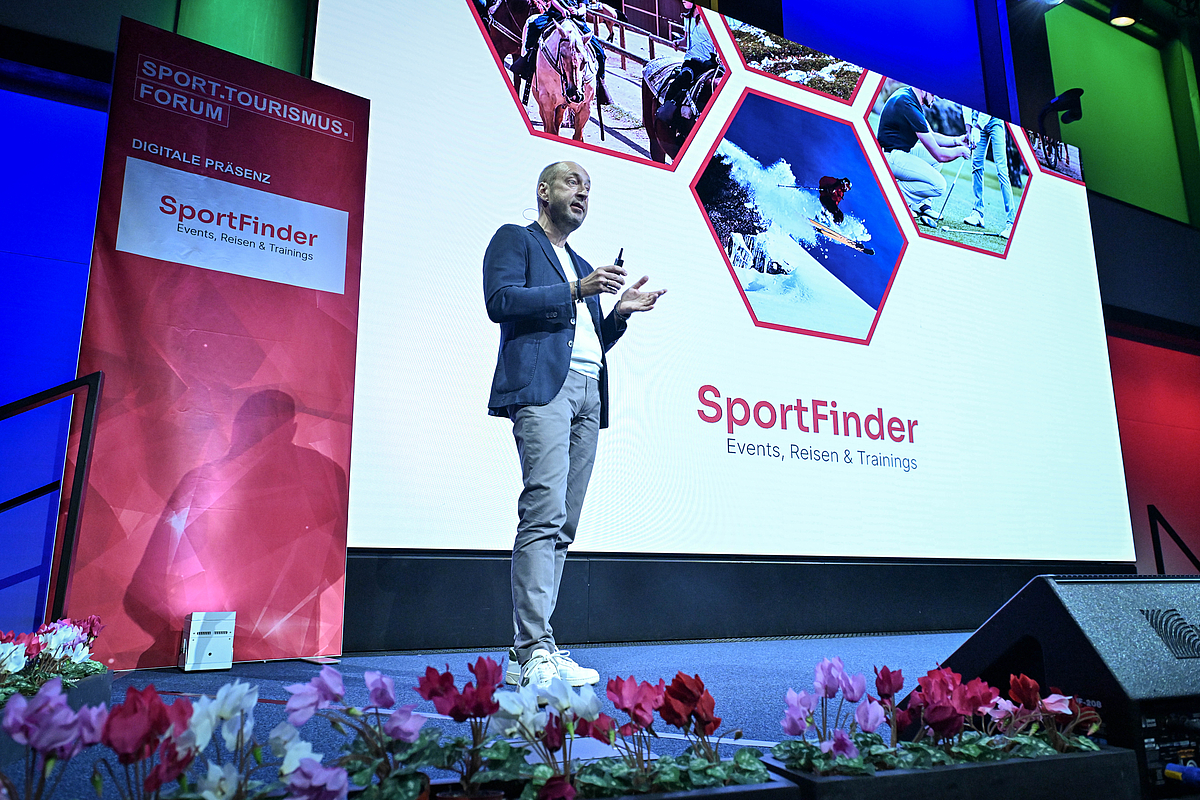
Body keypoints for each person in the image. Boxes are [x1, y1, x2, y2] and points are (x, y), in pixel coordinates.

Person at [484, 161, 665, 690]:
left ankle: (533, 646)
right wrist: (576, 289)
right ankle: (532, 650)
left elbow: (589, 341)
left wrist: (620, 313)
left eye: (588, 187)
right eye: (572, 182)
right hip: (545, 390)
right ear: (544, 191)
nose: (583, 192)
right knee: (543, 511)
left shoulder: (581, 264)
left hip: (589, 391)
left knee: (564, 524)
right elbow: (500, 302)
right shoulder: (517, 239)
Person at [876, 85, 971, 226]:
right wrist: (961, 151)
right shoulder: (909, 106)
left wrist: (958, 140)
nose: (935, 99)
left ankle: (920, 205)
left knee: (934, 161)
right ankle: (894, 196)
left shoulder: (909, 97)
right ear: (925, 89)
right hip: (890, 157)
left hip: (897, 151)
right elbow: (939, 154)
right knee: (939, 185)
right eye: (933, 95)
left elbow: (932, 136)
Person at [512, 0, 609, 103]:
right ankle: (527, 63)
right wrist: (562, 10)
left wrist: (577, 11)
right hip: (556, 15)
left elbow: (583, 7)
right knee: (534, 27)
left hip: (576, 19)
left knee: (600, 52)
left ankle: (600, 85)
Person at [656, 1, 719, 125]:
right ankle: (667, 111)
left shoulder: (711, 18)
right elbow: (687, 39)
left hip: (709, 62)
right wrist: (679, 42)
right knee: (682, 79)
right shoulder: (688, 18)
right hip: (691, 60)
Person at [961, 107, 1016, 239]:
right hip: (976, 121)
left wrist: (977, 127)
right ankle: (977, 212)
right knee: (976, 166)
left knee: (1002, 171)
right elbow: (966, 106)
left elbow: (989, 106)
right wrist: (969, 130)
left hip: (994, 119)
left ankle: (1012, 223)